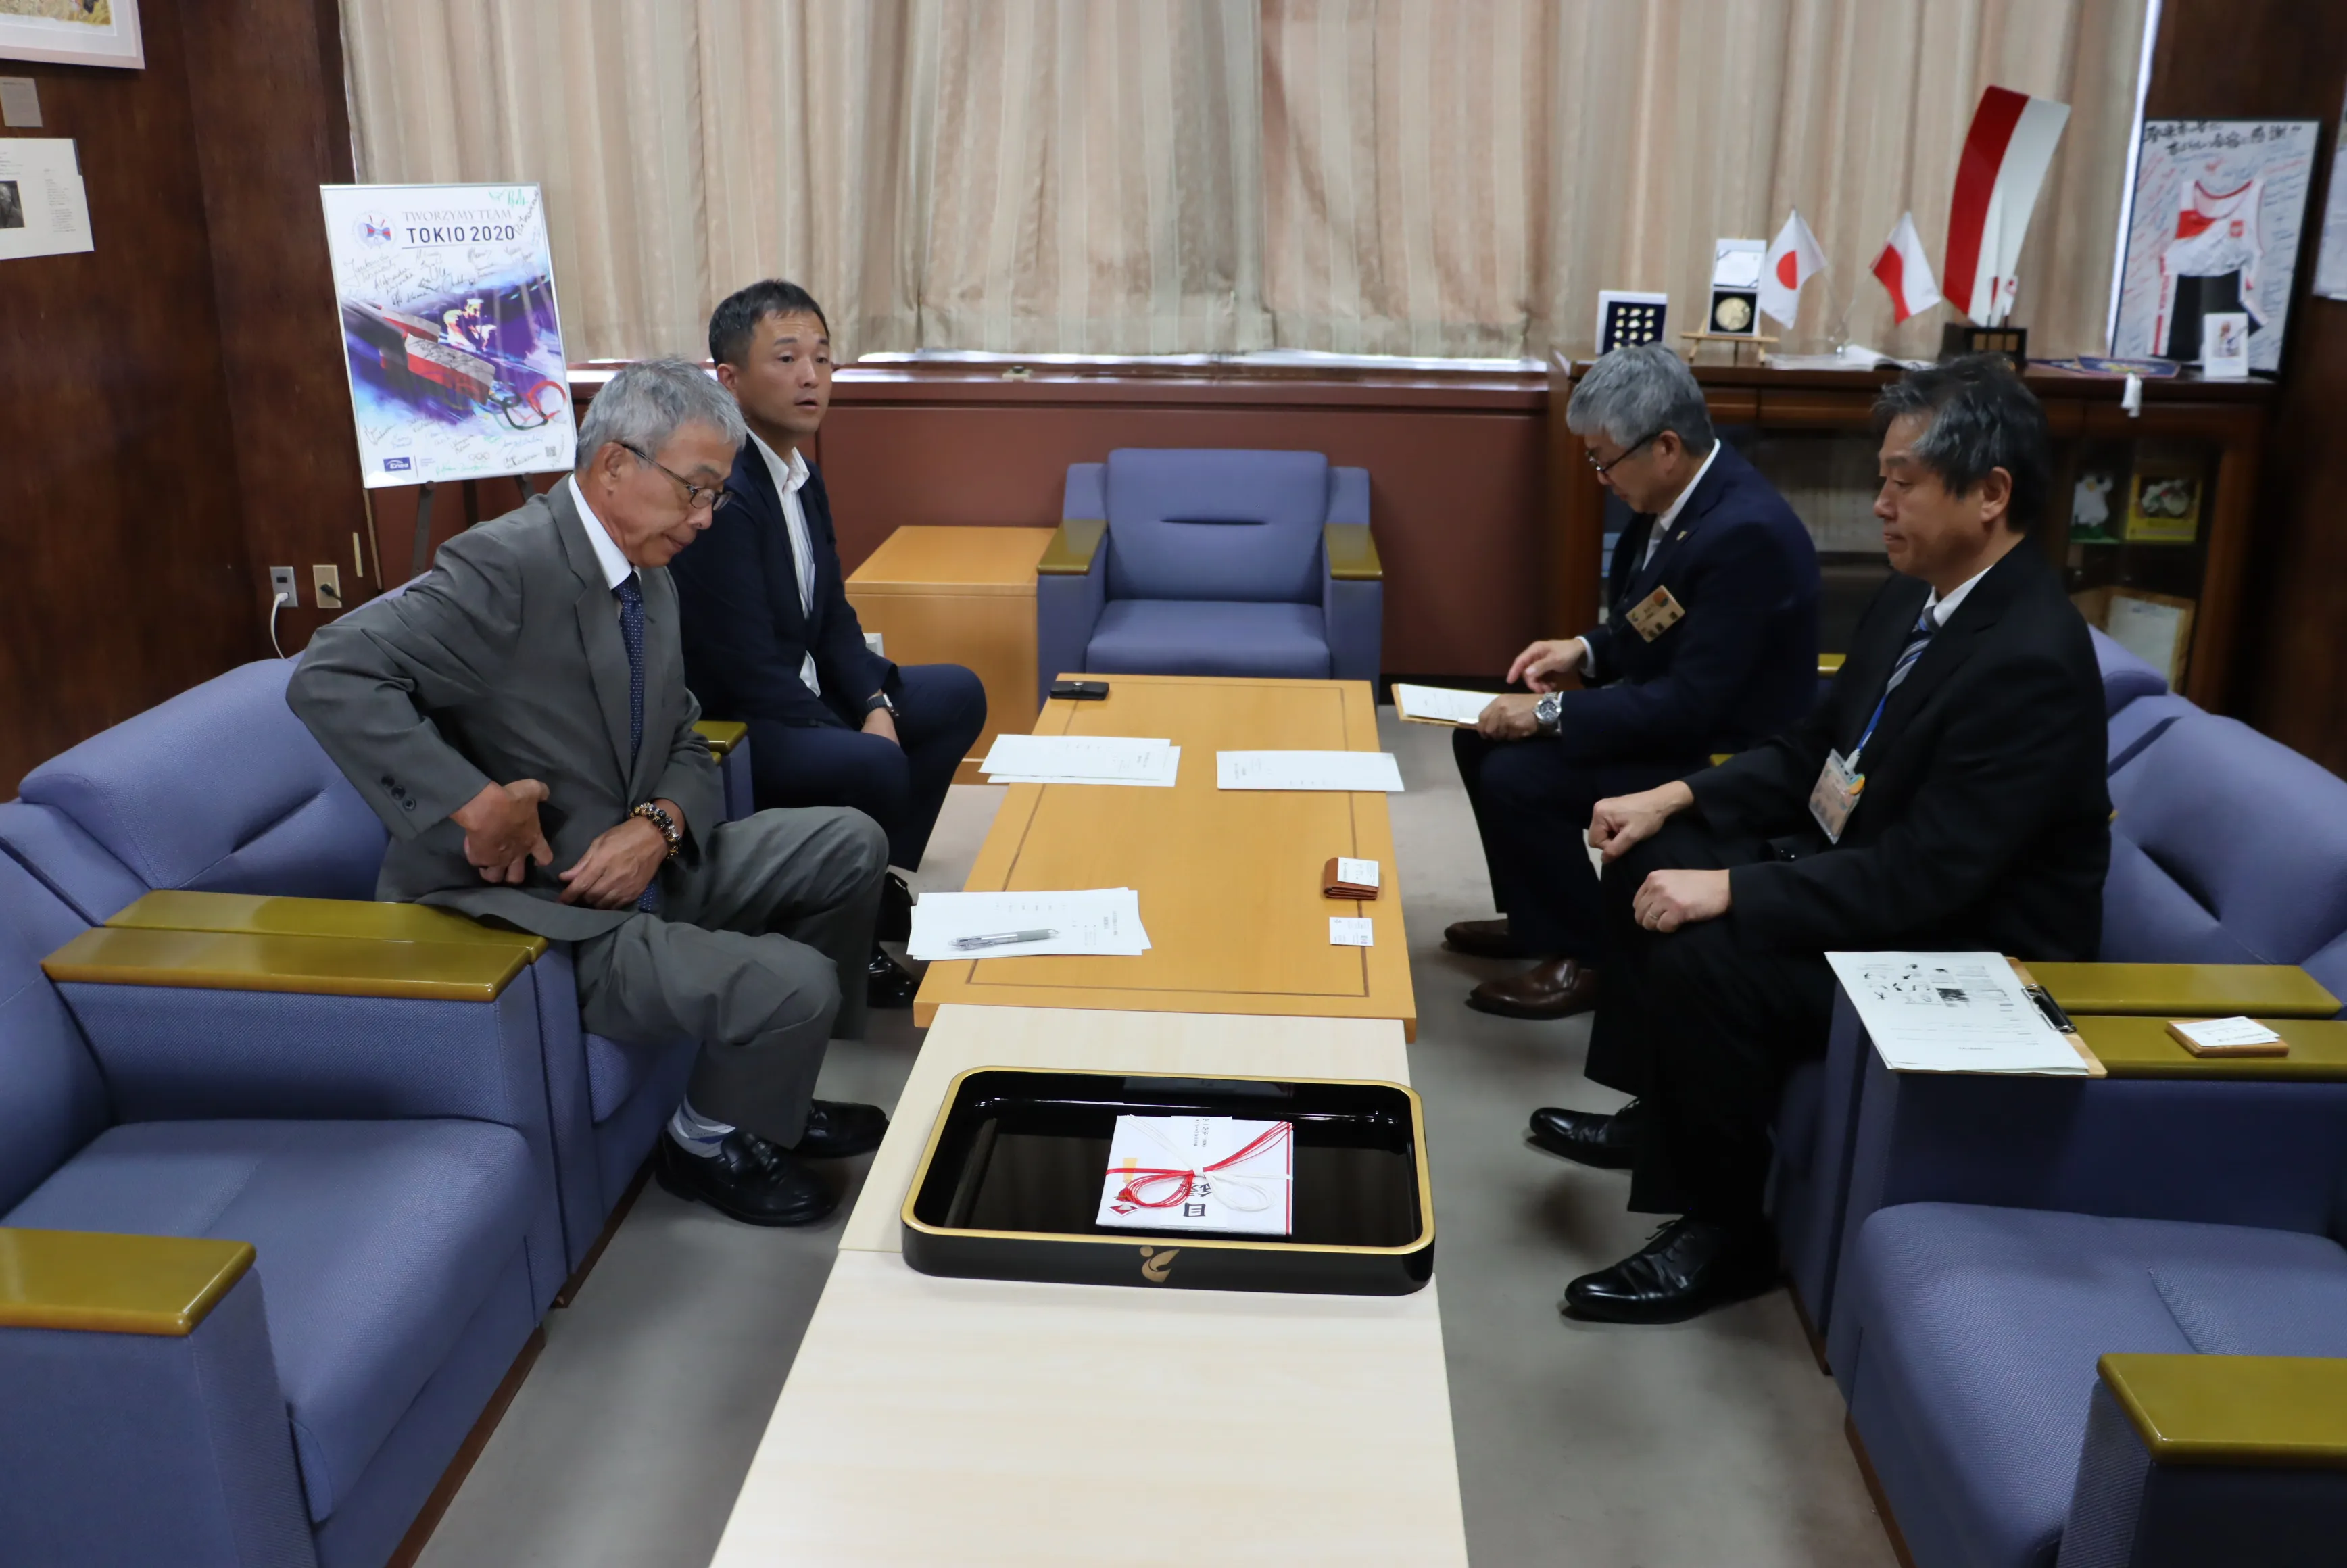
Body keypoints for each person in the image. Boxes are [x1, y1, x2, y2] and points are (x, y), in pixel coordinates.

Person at [1535, 356, 2110, 1324]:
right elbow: (1813, 746)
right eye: (1881, 477)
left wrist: (1738, 893)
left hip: (1977, 950)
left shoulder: (2031, 660)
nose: (1879, 504)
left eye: (1902, 482)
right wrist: (1673, 796)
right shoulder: (1915, 594)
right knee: (1647, 850)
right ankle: (1658, 1113)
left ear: (1990, 495)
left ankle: (1726, 1231)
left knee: (1709, 958)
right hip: (1878, 867)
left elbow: (1932, 876)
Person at [289, 358, 892, 1229]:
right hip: (545, 904)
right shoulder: (506, 564)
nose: (705, 517)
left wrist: (659, 822)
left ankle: (771, 1098)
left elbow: (686, 727)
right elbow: (330, 672)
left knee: (850, 842)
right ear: (614, 465)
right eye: (695, 489)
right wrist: (476, 803)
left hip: (634, 856)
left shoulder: (647, 565)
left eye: (716, 495)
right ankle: (705, 1141)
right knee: (792, 980)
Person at [1448, 343, 1819, 1019]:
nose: (1598, 475)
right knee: (1476, 741)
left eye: (1604, 459)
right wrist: (1585, 651)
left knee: (1518, 779)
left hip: (1722, 756)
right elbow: (1650, 624)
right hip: (1674, 716)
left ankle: (1583, 953)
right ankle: (1538, 919)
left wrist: (1551, 714)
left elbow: (1692, 704)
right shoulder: (1678, 504)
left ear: (1666, 446)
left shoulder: (1745, 535)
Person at [671, 280, 988, 1008]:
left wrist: (876, 702)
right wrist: (859, 734)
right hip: (742, 721)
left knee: (953, 694)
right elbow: (744, 669)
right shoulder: (724, 486)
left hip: (799, 691)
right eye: (786, 358)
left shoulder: (797, 467)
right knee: (872, 766)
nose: (812, 376)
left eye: (822, 357)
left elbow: (834, 616)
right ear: (729, 378)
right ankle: (849, 913)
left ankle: (874, 883)